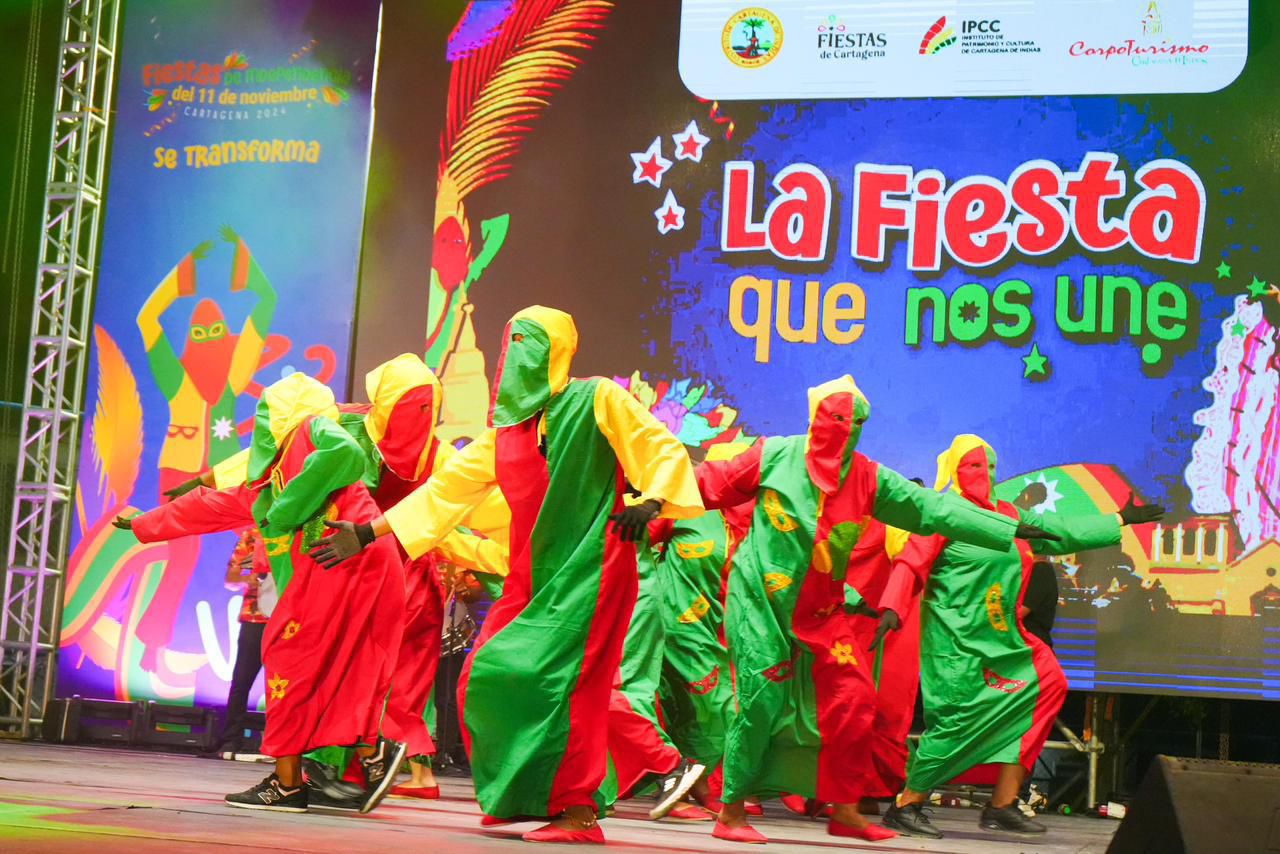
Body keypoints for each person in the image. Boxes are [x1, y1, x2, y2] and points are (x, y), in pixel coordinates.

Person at [310, 306, 702, 844]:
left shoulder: (596, 399)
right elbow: (445, 492)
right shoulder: (505, 435)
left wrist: (653, 501)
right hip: (530, 577)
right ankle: (526, 795)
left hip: (592, 569)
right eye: (511, 343)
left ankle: (580, 812)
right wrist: (366, 532)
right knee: (486, 676)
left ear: (558, 351)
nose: (518, 355)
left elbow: (655, 446)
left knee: (568, 691)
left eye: (531, 343)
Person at [692, 377, 1059, 844]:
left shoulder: (868, 476)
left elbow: (929, 508)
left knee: (857, 698)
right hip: (761, 604)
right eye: (838, 418)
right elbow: (711, 482)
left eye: (857, 422)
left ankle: (845, 809)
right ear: (816, 417)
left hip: (821, 611)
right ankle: (730, 812)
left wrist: (1006, 527)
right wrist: (650, 498)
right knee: (761, 701)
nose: (847, 430)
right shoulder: (775, 455)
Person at [116, 373, 408, 814]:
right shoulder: (267, 481)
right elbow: (208, 507)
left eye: (268, 411)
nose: (264, 423)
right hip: (350, 566)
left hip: (346, 559)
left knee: (288, 656)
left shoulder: (310, 429)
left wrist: (287, 510)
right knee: (343, 665)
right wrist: (145, 523)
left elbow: (345, 453)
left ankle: (290, 785)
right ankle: (370, 754)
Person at [876, 434, 1164, 839]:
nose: (985, 473)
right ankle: (907, 803)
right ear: (956, 469)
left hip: (1005, 639)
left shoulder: (1009, 514)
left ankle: (1003, 802)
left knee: (1048, 683)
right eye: (974, 465)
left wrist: (1117, 519)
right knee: (957, 722)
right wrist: (892, 605)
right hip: (958, 642)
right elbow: (911, 560)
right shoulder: (944, 512)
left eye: (990, 466)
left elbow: (1059, 531)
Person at [212, 529, 271, 757]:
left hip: (288, 621)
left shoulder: (298, 533)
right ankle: (230, 740)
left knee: (282, 687)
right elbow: (231, 578)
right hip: (254, 618)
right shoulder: (253, 535)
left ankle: (279, 744)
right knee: (241, 682)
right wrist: (249, 579)